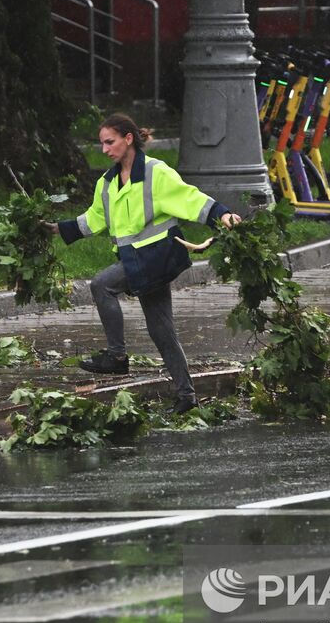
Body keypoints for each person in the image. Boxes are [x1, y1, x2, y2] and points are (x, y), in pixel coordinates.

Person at [49, 113, 242, 415]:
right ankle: (187, 396)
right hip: (137, 262)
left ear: (128, 139)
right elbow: (94, 219)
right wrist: (57, 228)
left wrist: (222, 214)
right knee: (161, 331)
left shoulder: (156, 173)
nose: (104, 149)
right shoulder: (108, 182)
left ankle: (116, 356)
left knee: (101, 285)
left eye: (109, 142)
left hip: (155, 258)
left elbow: (189, 198)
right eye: (101, 144)